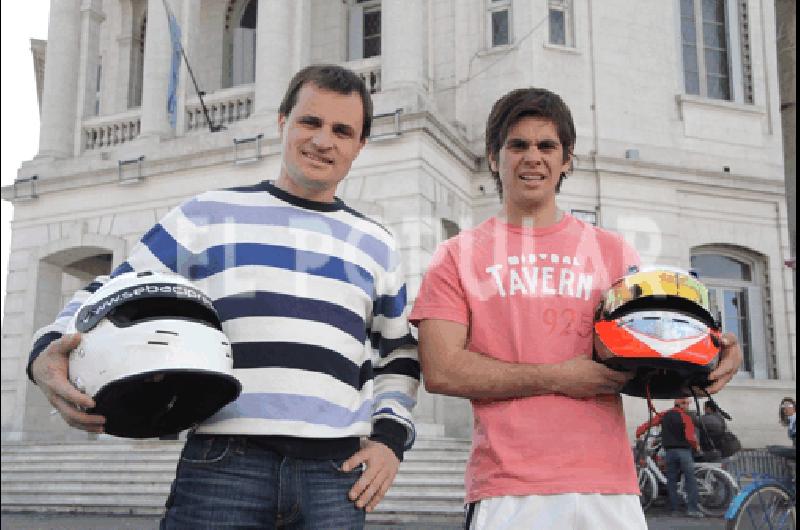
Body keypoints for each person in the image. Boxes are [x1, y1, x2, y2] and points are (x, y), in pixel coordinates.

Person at [27, 64, 419, 529]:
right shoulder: (207, 216)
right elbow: (109, 290)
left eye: (342, 130)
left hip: (334, 476)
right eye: (310, 122)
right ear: (282, 122)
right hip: (225, 465)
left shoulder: (378, 242)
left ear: (359, 146)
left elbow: (399, 353)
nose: (323, 140)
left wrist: (391, 439)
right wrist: (43, 354)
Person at [409, 87, 743, 529]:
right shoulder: (456, 255)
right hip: (509, 486)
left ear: (567, 160)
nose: (533, 157)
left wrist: (713, 352)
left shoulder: (611, 252)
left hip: (608, 484)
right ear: (494, 157)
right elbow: (442, 370)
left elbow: (651, 347)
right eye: (518, 145)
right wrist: (558, 376)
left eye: (547, 146)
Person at [636, 398, 704, 517]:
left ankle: (675, 509)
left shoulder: (664, 415)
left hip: (670, 452)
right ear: (680, 404)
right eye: (686, 403)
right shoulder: (685, 417)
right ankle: (692, 509)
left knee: (671, 481)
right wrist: (696, 446)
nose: (688, 406)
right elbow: (690, 437)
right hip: (684, 452)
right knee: (690, 480)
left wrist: (638, 434)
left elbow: (647, 425)